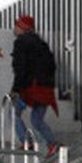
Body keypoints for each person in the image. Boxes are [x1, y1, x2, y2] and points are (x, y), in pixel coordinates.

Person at [10, 15, 58, 153]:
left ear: (23, 28)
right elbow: (52, 66)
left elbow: (21, 68)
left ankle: (26, 141)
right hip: (46, 88)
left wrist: (15, 89)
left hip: (30, 88)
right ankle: (52, 144)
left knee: (13, 112)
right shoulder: (42, 44)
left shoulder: (20, 42)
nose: (14, 28)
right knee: (37, 120)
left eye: (17, 26)